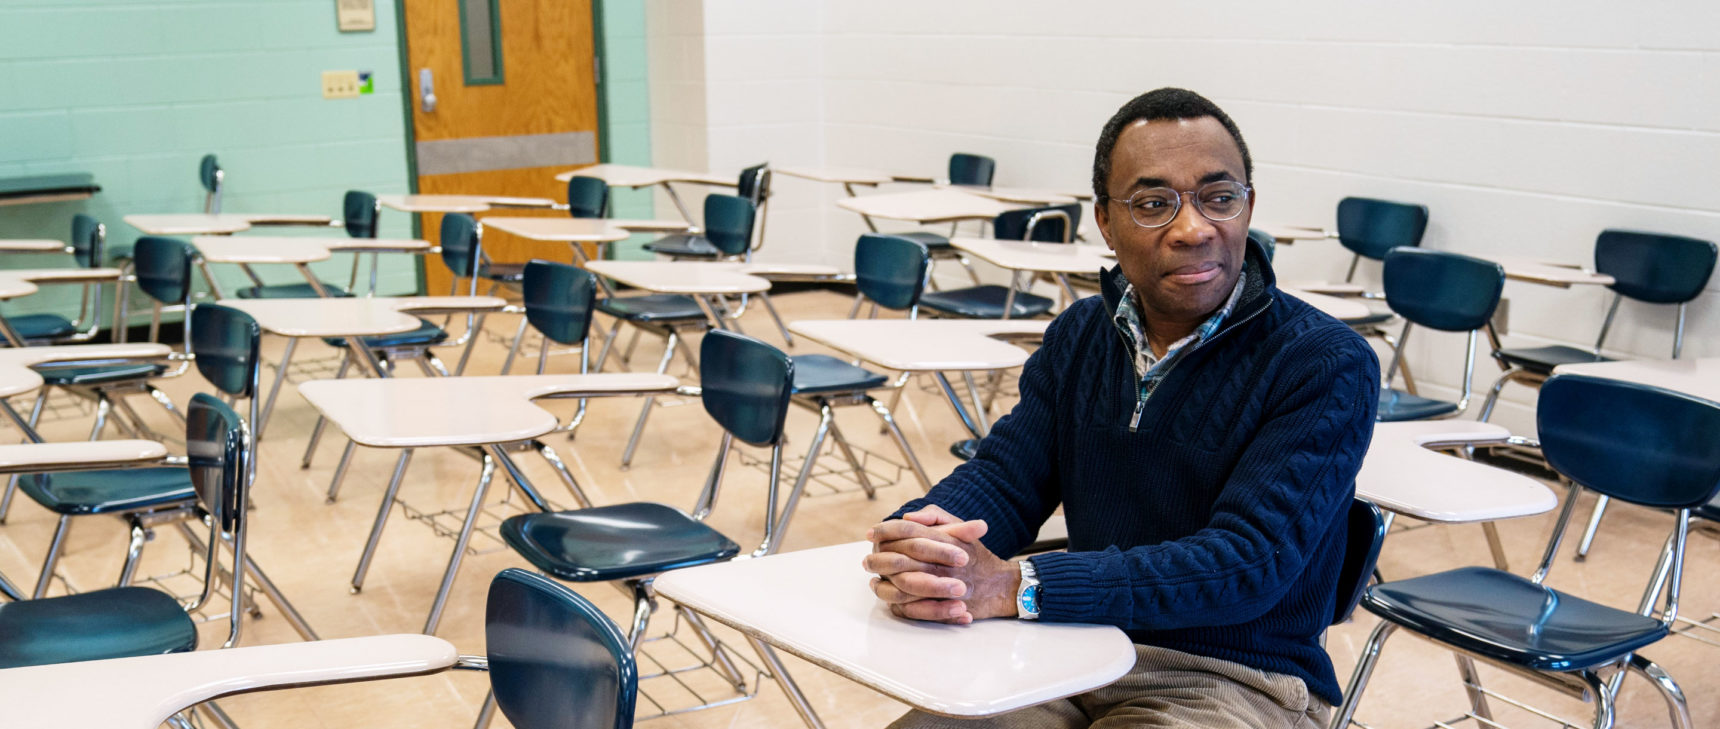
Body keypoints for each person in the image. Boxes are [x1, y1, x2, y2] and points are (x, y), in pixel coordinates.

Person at [862, 87, 1380, 728]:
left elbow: (1250, 561)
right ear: (1106, 223)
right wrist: (927, 540)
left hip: (1234, 679)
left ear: (1249, 206)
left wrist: (1021, 585)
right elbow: (1005, 478)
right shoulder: (1081, 334)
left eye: (1219, 198)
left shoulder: (1325, 362)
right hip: (1068, 649)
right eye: (1154, 204)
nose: (1193, 230)